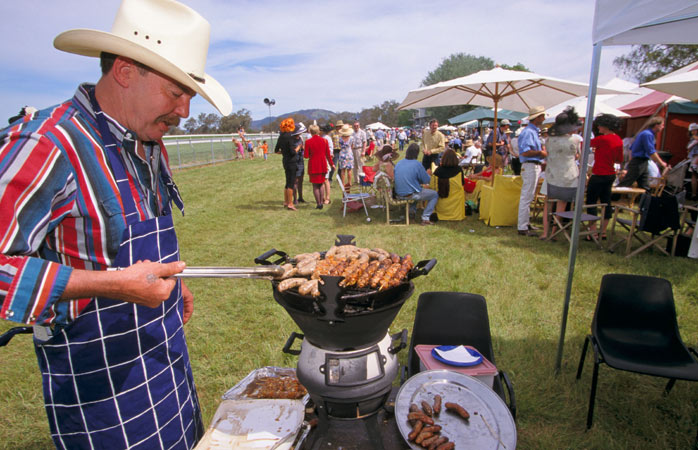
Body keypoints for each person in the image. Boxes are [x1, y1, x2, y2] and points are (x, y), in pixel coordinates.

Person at [0, 0, 232, 448]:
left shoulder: (148, 144)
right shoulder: (48, 144)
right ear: (126, 71)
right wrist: (114, 285)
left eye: (189, 96)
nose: (184, 111)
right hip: (100, 393)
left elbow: (119, 239)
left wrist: (165, 274)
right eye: (176, 92)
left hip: (167, 365)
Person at [539, 107, 581, 240]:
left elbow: (549, 154)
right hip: (568, 175)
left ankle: (545, 232)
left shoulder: (549, 140)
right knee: (561, 205)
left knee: (548, 203)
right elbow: (577, 156)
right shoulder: (575, 140)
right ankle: (554, 232)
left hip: (552, 173)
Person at [586, 114, 624, 240]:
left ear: (605, 126)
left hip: (598, 174)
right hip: (610, 174)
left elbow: (586, 144)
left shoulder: (602, 139)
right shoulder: (618, 139)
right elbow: (619, 159)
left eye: (600, 125)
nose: (598, 128)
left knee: (591, 202)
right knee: (606, 201)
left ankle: (593, 231)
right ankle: (602, 231)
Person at [517, 106, 548, 237]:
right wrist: (541, 153)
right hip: (530, 165)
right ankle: (522, 226)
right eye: (542, 116)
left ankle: (525, 223)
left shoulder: (532, 131)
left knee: (528, 196)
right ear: (538, 117)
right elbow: (525, 151)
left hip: (533, 165)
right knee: (526, 196)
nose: (544, 118)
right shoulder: (529, 132)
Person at [617, 116, 669, 191]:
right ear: (656, 125)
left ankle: (646, 200)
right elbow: (651, 151)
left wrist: (631, 160)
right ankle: (612, 197)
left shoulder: (644, 133)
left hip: (641, 161)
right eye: (662, 125)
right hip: (639, 161)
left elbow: (631, 148)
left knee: (644, 184)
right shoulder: (648, 135)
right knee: (627, 182)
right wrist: (661, 163)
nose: (663, 127)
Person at [394, 143, 438, 225]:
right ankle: (425, 217)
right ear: (417, 153)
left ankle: (412, 212)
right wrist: (428, 173)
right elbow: (426, 180)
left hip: (399, 193)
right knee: (434, 194)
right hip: (410, 194)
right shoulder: (417, 164)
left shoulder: (399, 163)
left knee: (415, 189)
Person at [304, 124, 334, 209]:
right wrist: (332, 164)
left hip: (313, 165)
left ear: (310, 131)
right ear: (318, 131)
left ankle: (319, 203)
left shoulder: (308, 142)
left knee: (315, 185)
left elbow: (306, 156)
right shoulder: (324, 141)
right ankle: (322, 201)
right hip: (322, 165)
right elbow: (328, 155)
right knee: (321, 184)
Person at [276, 117, 301, 210]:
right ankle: (290, 203)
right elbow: (293, 152)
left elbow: (276, 150)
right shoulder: (290, 136)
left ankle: (286, 201)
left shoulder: (281, 136)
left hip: (285, 161)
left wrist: (284, 152)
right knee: (291, 182)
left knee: (287, 181)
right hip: (292, 162)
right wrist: (298, 147)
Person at [433, 149, 465, 221]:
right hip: (455, 204)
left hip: (441, 204)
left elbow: (433, 185)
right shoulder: (459, 170)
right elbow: (462, 184)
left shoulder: (438, 170)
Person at [293, 122, 307, 204]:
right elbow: (293, 151)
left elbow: (303, 148)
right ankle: (295, 199)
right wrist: (299, 147)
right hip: (295, 162)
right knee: (295, 181)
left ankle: (300, 197)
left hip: (301, 161)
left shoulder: (300, 138)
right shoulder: (292, 140)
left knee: (301, 180)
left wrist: (303, 148)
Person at [320, 123, 334, 204]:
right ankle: (322, 197)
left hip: (325, 160)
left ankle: (327, 198)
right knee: (322, 180)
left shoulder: (327, 138)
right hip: (320, 160)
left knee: (325, 179)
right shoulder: (321, 137)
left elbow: (330, 150)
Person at [337, 124, 355, 191]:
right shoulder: (351, 138)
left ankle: (343, 183)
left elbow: (339, 146)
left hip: (342, 154)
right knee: (349, 170)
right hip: (349, 154)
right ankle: (349, 182)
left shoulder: (340, 138)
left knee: (342, 170)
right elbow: (352, 146)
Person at [687, 123, 698, 199]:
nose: (693, 132)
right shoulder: (693, 139)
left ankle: (694, 194)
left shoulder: (695, 139)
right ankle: (694, 194)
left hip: (696, 158)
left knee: (694, 175)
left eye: (695, 130)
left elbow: (689, 147)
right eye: (692, 131)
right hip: (694, 158)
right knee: (694, 175)